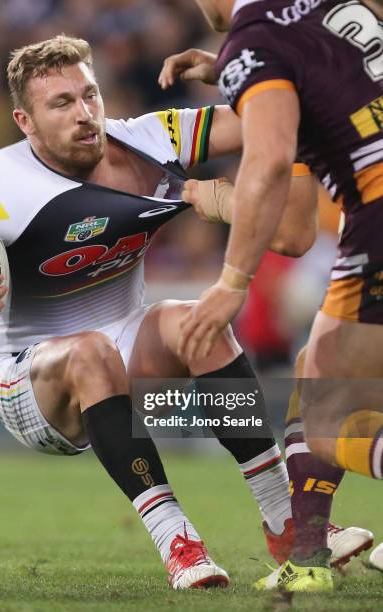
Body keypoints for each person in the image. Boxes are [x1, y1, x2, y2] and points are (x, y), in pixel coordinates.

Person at [0, 35, 323, 588]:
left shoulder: (152, 139)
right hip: (29, 383)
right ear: (25, 121)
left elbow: (276, 117)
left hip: (126, 351)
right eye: (61, 104)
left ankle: (285, 519)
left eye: (90, 95)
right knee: (92, 351)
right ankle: (177, 540)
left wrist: (243, 73)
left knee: (201, 321)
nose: (85, 115)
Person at [159, 0, 383, 593]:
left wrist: (232, 283)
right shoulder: (320, 14)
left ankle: (307, 556)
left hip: (379, 207)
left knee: (327, 411)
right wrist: (235, 70)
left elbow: (269, 165)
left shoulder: (256, 37)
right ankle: (307, 557)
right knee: (318, 369)